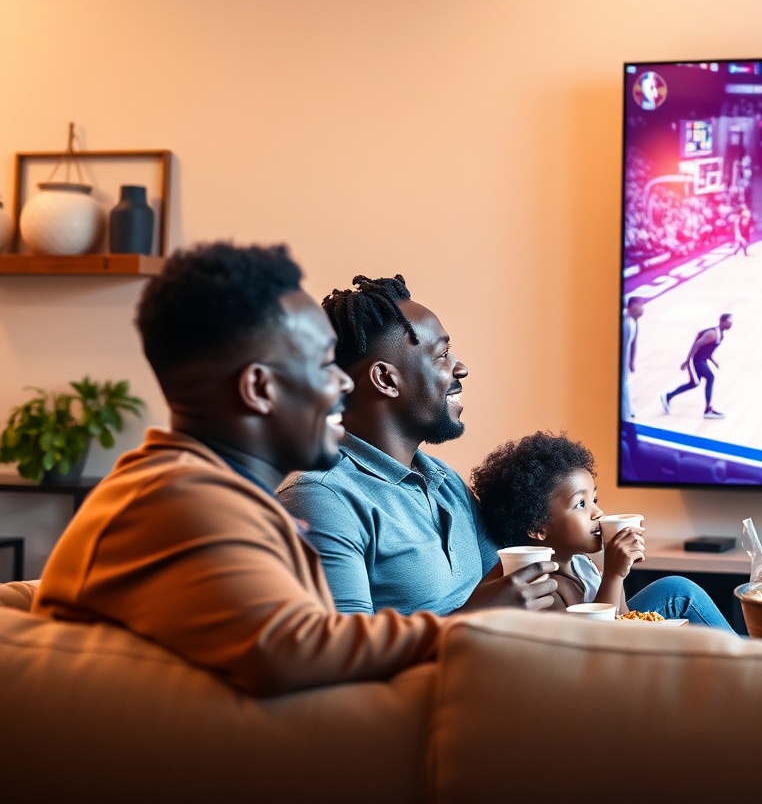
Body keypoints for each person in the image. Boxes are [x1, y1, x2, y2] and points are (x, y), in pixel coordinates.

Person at [34, 244, 512, 696]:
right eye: (325, 363)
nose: (345, 383)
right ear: (260, 387)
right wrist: (467, 624)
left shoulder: (212, 495)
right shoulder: (176, 498)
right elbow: (292, 649)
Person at [279, 274, 556, 617]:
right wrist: (468, 619)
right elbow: (341, 655)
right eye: (442, 355)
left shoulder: (445, 482)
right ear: (385, 380)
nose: (461, 368)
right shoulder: (321, 498)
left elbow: (498, 586)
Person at [473, 432, 734, 631]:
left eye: (595, 499)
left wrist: (616, 571)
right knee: (679, 592)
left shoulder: (580, 564)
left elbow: (625, 617)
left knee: (676, 587)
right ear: (536, 528)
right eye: (581, 504)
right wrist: (612, 574)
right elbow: (600, 642)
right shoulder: (544, 589)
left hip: (617, 633)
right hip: (599, 657)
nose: (598, 512)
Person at [662, 313, 732, 419]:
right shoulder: (712, 333)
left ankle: (668, 396)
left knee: (694, 383)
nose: (730, 325)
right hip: (695, 360)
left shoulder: (720, 335)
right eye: (728, 322)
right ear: (722, 322)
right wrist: (687, 361)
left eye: (731, 323)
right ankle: (708, 410)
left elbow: (707, 350)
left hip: (701, 360)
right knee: (710, 377)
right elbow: (697, 344)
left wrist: (713, 361)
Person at [621, 296, 645, 422]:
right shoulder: (625, 322)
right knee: (623, 384)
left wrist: (632, 361)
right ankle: (625, 414)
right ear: (631, 306)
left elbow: (634, 341)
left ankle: (628, 409)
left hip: (625, 357)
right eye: (640, 305)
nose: (642, 309)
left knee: (625, 383)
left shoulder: (634, 320)